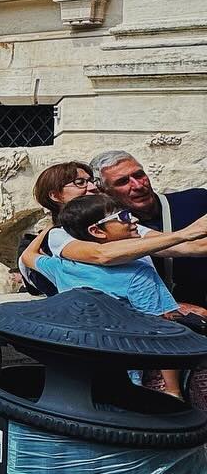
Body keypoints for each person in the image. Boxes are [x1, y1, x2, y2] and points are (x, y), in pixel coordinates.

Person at [22, 193, 207, 396]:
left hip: (80, 368)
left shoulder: (61, 266)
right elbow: (163, 330)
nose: (134, 219)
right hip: (125, 372)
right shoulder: (138, 273)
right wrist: (173, 390)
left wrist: (49, 231)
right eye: (124, 217)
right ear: (96, 231)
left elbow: (28, 256)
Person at [91, 150, 207, 308]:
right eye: (123, 182)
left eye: (139, 175)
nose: (138, 185)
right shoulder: (108, 231)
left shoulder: (196, 201)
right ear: (104, 191)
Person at [16, 162, 97, 296]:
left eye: (92, 181)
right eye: (80, 183)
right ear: (55, 195)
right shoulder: (50, 242)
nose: (93, 187)